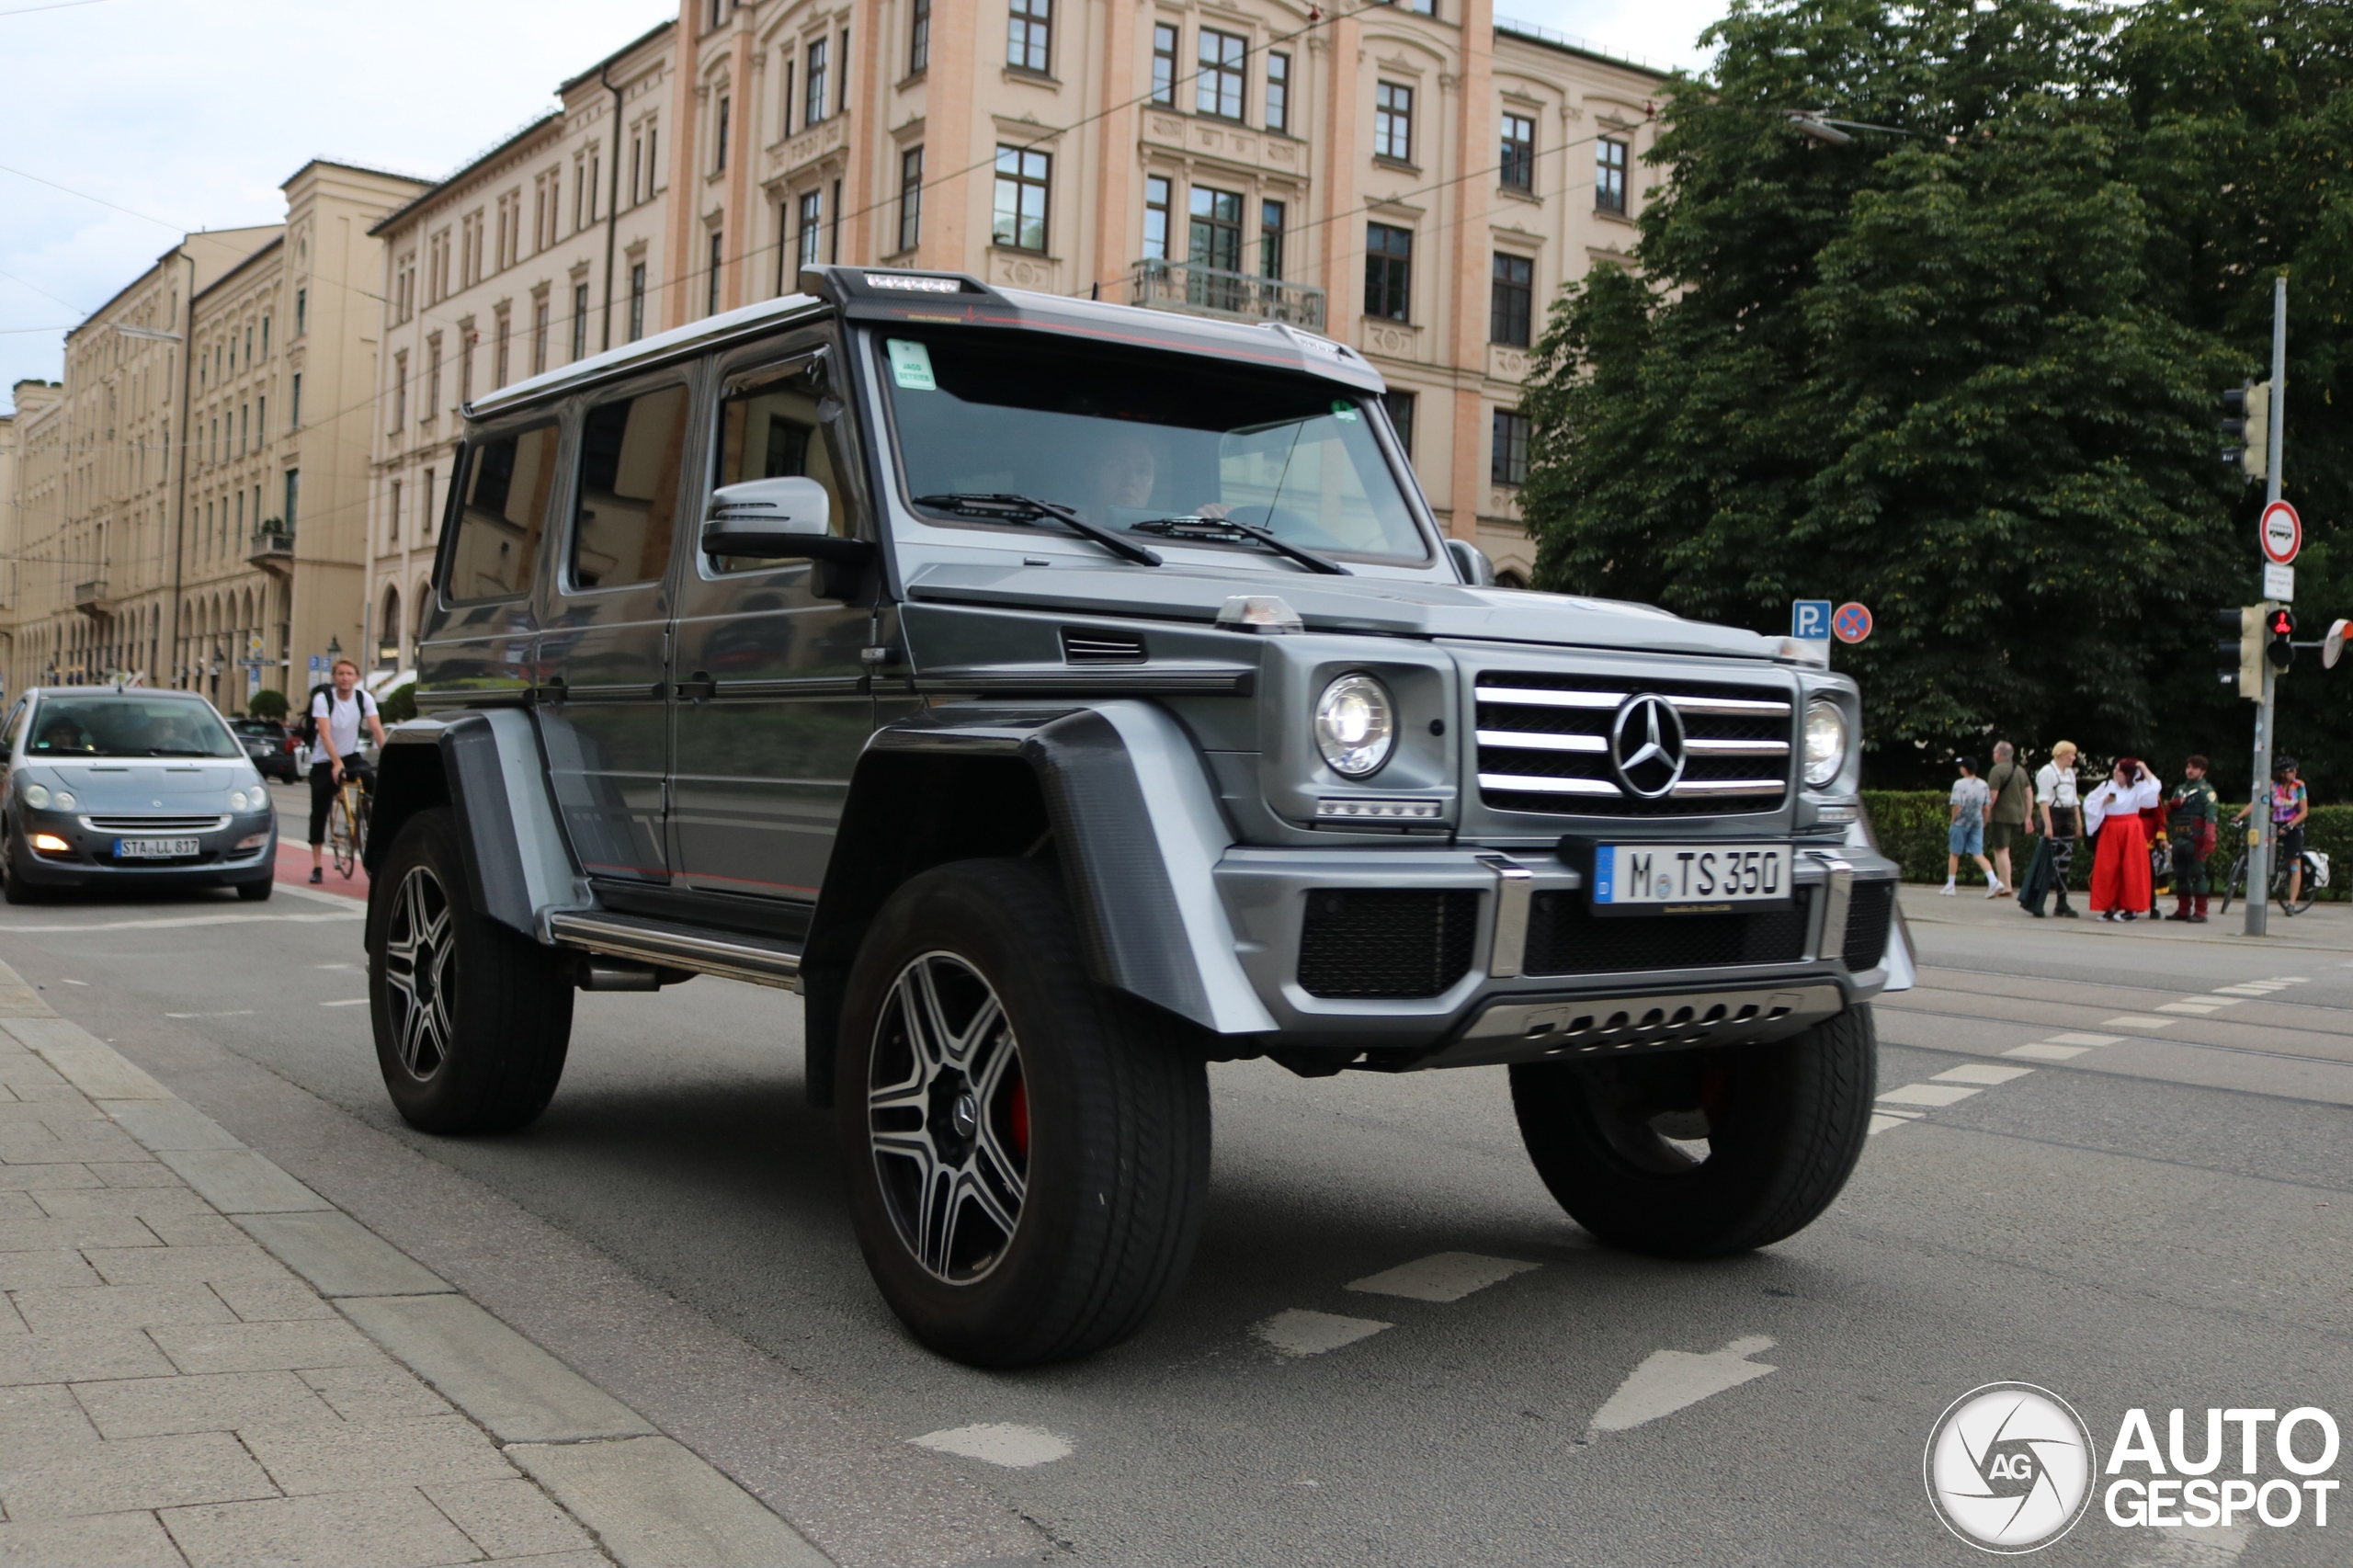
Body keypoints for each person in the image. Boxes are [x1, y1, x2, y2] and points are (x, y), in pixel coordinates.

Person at [307, 659, 385, 884]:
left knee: (375, 785)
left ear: (356, 677)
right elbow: (324, 734)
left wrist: (388, 757)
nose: (345, 677)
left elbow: (377, 729)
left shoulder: (364, 698)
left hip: (350, 756)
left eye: (349, 673)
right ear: (334, 677)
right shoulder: (323, 700)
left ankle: (371, 824)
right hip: (324, 759)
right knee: (319, 808)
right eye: (340, 673)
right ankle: (317, 866)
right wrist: (335, 762)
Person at [2234, 756, 2312, 913]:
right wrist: (2240, 816)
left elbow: (2304, 812)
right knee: (2261, 848)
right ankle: (2266, 878)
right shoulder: (2272, 786)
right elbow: (2256, 802)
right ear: (2283, 773)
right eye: (2291, 771)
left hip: (2293, 825)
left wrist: (2290, 826)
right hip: (2275, 824)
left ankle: (2291, 903)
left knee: (2295, 862)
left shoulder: (2299, 786)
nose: (2295, 773)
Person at [2085, 757, 2160, 920]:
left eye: (2119, 770)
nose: (2115, 772)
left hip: (2130, 828)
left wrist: (2144, 768)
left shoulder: (2138, 788)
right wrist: (2103, 802)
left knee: (2131, 868)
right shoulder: (2107, 786)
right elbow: (2089, 803)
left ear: (2127, 774)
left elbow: (2155, 789)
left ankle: (2131, 909)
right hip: (2111, 828)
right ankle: (2109, 907)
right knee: (2108, 868)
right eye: (2116, 769)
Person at [2164, 756, 2219, 923]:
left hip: (2195, 839)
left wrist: (2209, 839)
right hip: (2179, 838)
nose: (2190, 770)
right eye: (2188, 767)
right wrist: (2171, 806)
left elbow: (2211, 817)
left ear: (2203, 771)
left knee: (2197, 875)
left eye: (2194, 767)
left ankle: (2201, 912)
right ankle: (2183, 910)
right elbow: (2166, 815)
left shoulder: (2206, 791)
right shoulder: (2180, 789)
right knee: (2180, 875)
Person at [2034, 741, 2082, 917]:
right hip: (2053, 816)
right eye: (2071, 755)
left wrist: (2078, 822)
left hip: (2067, 816)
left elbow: (2074, 798)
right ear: (2062, 754)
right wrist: (2048, 825)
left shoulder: (2069, 773)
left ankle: (2061, 903)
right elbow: (2043, 800)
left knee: (2064, 862)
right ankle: (2037, 901)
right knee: (2048, 862)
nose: (2073, 758)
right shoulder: (2048, 772)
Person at [1984, 741, 2031, 898]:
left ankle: (2005, 885)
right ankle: (2005, 883)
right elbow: (2029, 793)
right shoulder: (2020, 770)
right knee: (2006, 850)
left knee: (2001, 850)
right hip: (2017, 815)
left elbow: (1993, 796)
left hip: (2001, 816)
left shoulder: (1997, 771)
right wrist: (2028, 816)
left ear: (1998, 754)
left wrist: (1985, 814)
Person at [1942, 756, 1995, 895]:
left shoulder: (1959, 784)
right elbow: (1987, 807)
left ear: (1964, 769)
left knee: (1954, 853)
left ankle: (1951, 885)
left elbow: (1957, 805)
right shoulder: (1983, 784)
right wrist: (1984, 821)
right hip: (1976, 821)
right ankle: (1993, 880)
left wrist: (1953, 820)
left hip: (1961, 822)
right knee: (1978, 853)